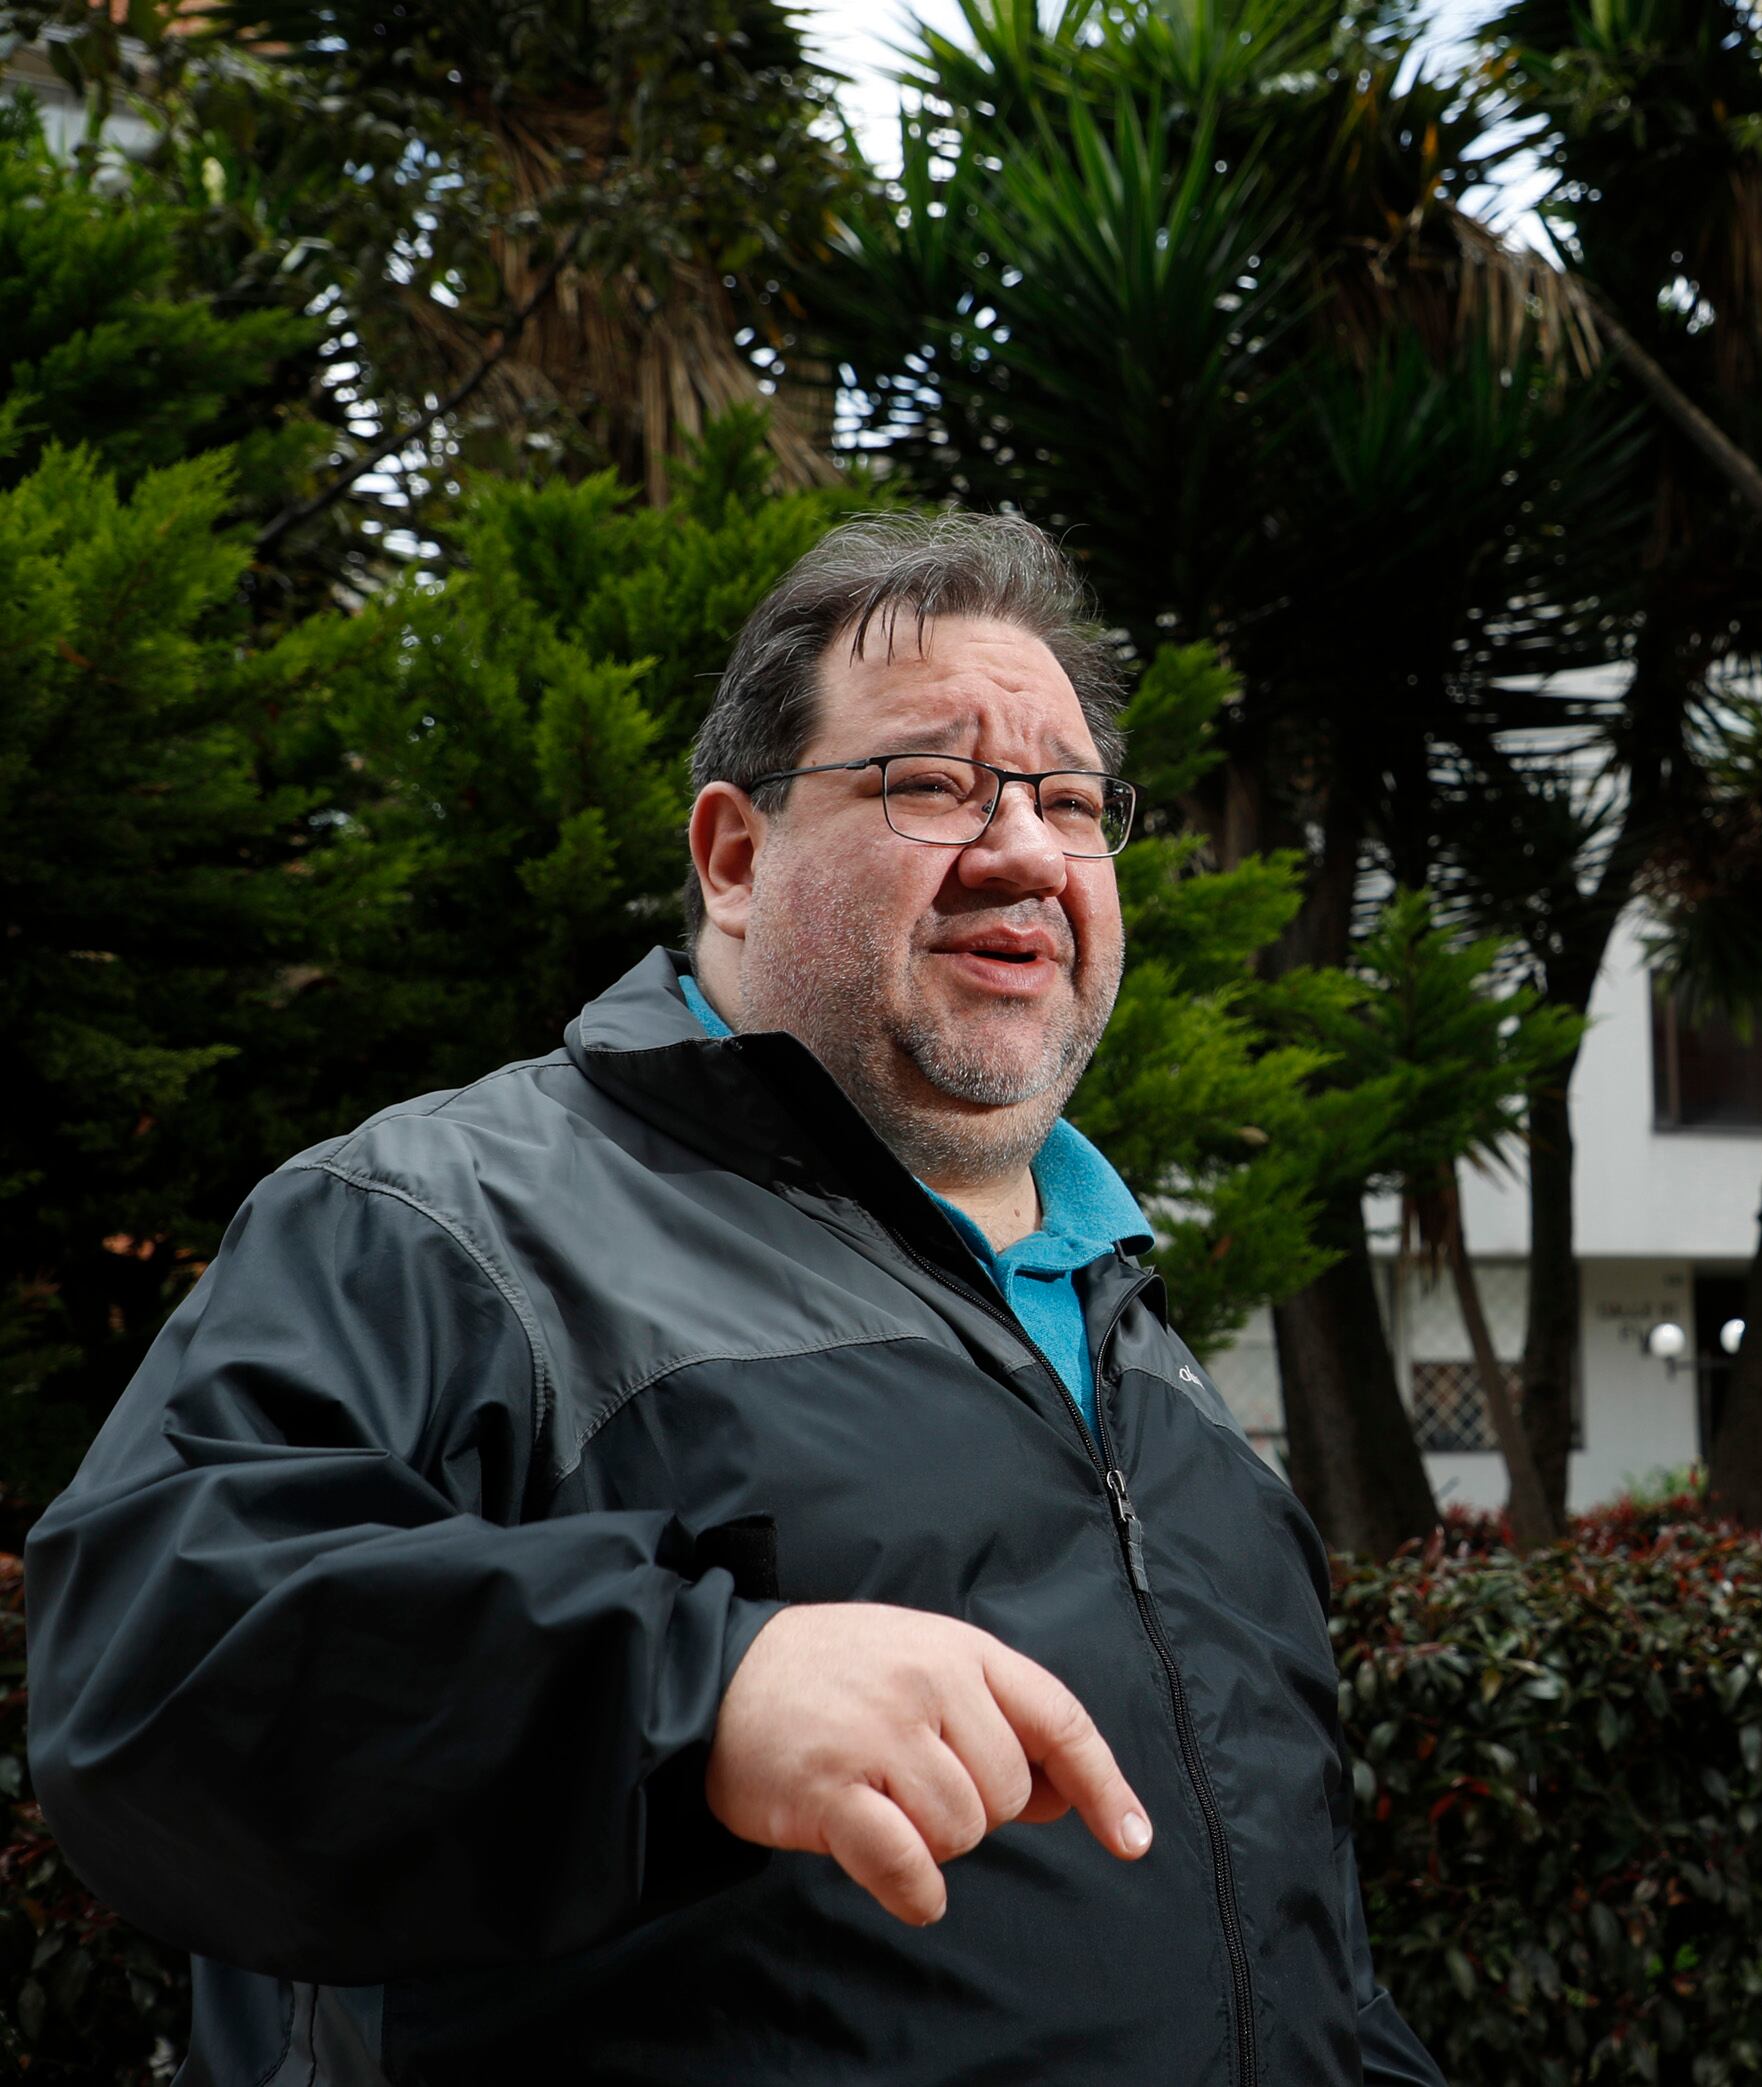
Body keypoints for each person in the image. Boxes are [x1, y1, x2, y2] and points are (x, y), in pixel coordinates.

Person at [25, 513, 1446, 2087]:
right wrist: (700, 1689)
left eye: (1068, 802)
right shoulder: (443, 1224)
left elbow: (1298, 1970)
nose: (1028, 854)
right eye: (934, 783)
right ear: (736, 857)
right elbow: (154, 1672)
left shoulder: (1153, 1366)